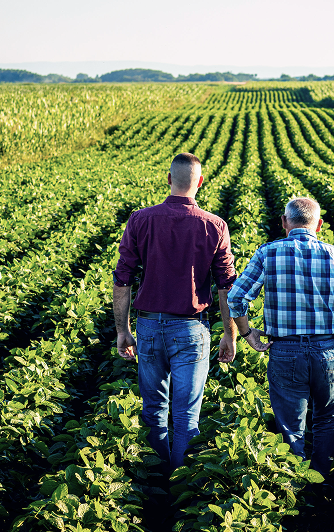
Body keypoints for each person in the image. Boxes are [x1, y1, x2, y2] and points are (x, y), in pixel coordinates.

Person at [112, 152, 238, 472]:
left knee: (154, 411)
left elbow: (122, 277)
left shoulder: (140, 219)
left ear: (169, 179)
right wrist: (229, 333)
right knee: (186, 416)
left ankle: (155, 485)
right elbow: (226, 285)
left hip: (150, 326)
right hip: (192, 330)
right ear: (201, 181)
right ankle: (181, 489)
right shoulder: (215, 225)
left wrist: (122, 330)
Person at [227, 197, 334, 476]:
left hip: (285, 351)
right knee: (328, 420)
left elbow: (236, 297)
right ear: (320, 225)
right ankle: (323, 484)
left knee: (290, 426)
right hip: (329, 351)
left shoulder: (269, 252)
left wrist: (247, 333)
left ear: (284, 222)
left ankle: (294, 487)